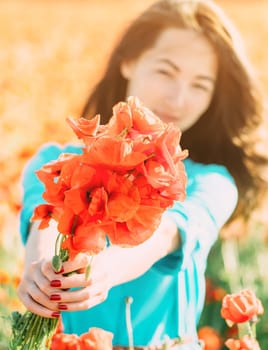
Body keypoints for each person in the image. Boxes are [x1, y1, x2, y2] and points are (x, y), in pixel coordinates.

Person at [17, 0, 267, 349]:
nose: (178, 99)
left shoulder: (212, 183)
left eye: (200, 85)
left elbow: (169, 232)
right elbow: (45, 220)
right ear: (129, 61)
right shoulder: (55, 160)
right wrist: (40, 269)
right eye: (166, 71)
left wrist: (102, 271)